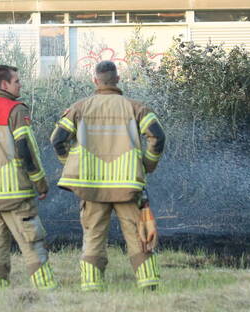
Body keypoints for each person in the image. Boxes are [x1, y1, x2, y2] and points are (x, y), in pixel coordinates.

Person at [50, 60, 166, 291]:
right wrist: (146, 165)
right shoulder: (136, 107)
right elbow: (158, 137)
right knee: (137, 236)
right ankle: (148, 283)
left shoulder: (79, 108)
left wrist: (71, 164)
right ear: (118, 79)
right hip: (127, 186)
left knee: (93, 236)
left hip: (91, 187)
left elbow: (57, 139)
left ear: (95, 80)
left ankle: (91, 285)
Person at [0, 65, 55, 290]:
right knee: (31, 242)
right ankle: (46, 288)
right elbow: (26, 150)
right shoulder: (15, 110)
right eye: (17, 81)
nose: (20, 84)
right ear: (4, 84)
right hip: (16, 194)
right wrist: (40, 182)